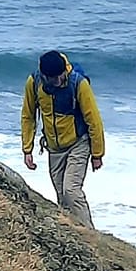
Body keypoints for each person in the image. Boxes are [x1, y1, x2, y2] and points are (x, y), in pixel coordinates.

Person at [22, 51, 105, 228]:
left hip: (79, 143)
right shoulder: (34, 82)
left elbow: (94, 120)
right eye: (53, 79)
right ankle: (75, 234)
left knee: (71, 191)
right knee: (62, 197)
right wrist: (27, 149)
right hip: (54, 148)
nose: (59, 81)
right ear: (44, 75)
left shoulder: (78, 84)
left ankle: (90, 235)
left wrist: (97, 154)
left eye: (61, 76)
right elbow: (28, 116)